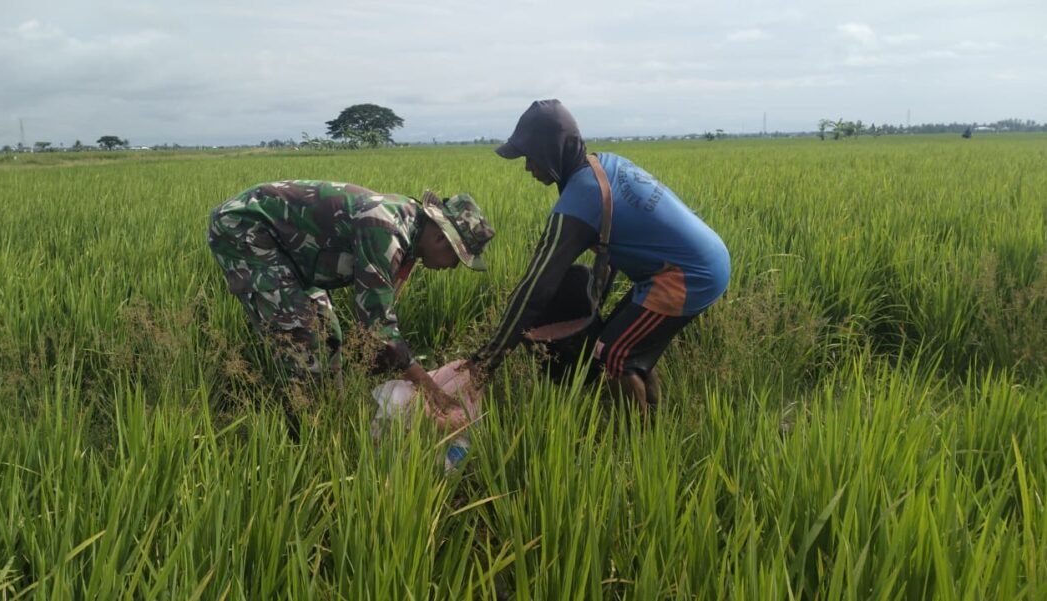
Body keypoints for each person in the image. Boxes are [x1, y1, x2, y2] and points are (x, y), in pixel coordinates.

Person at [466, 99, 730, 417]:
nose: (528, 167)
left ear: (551, 151)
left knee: (614, 354)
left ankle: (637, 438)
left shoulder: (580, 200)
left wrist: (486, 361)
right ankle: (654, 423)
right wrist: (597, 300)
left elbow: (535, 288)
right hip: (691, 262)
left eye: (530, 156)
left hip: (688, 275)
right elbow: (616, 242)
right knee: (626, 344)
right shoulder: (602, 165)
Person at [208, 180, 494, 436]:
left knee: (329, 334)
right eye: (456, 258)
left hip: (292, 253)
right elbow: (378, 327)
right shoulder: (387, 231)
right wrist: (432, 392)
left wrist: (383, 362)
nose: (452, 267)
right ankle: (306, 435)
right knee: (302, 339)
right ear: (441, 239)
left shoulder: (411, 231)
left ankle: (333, 416)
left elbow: (377, 322)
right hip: (246, 228)